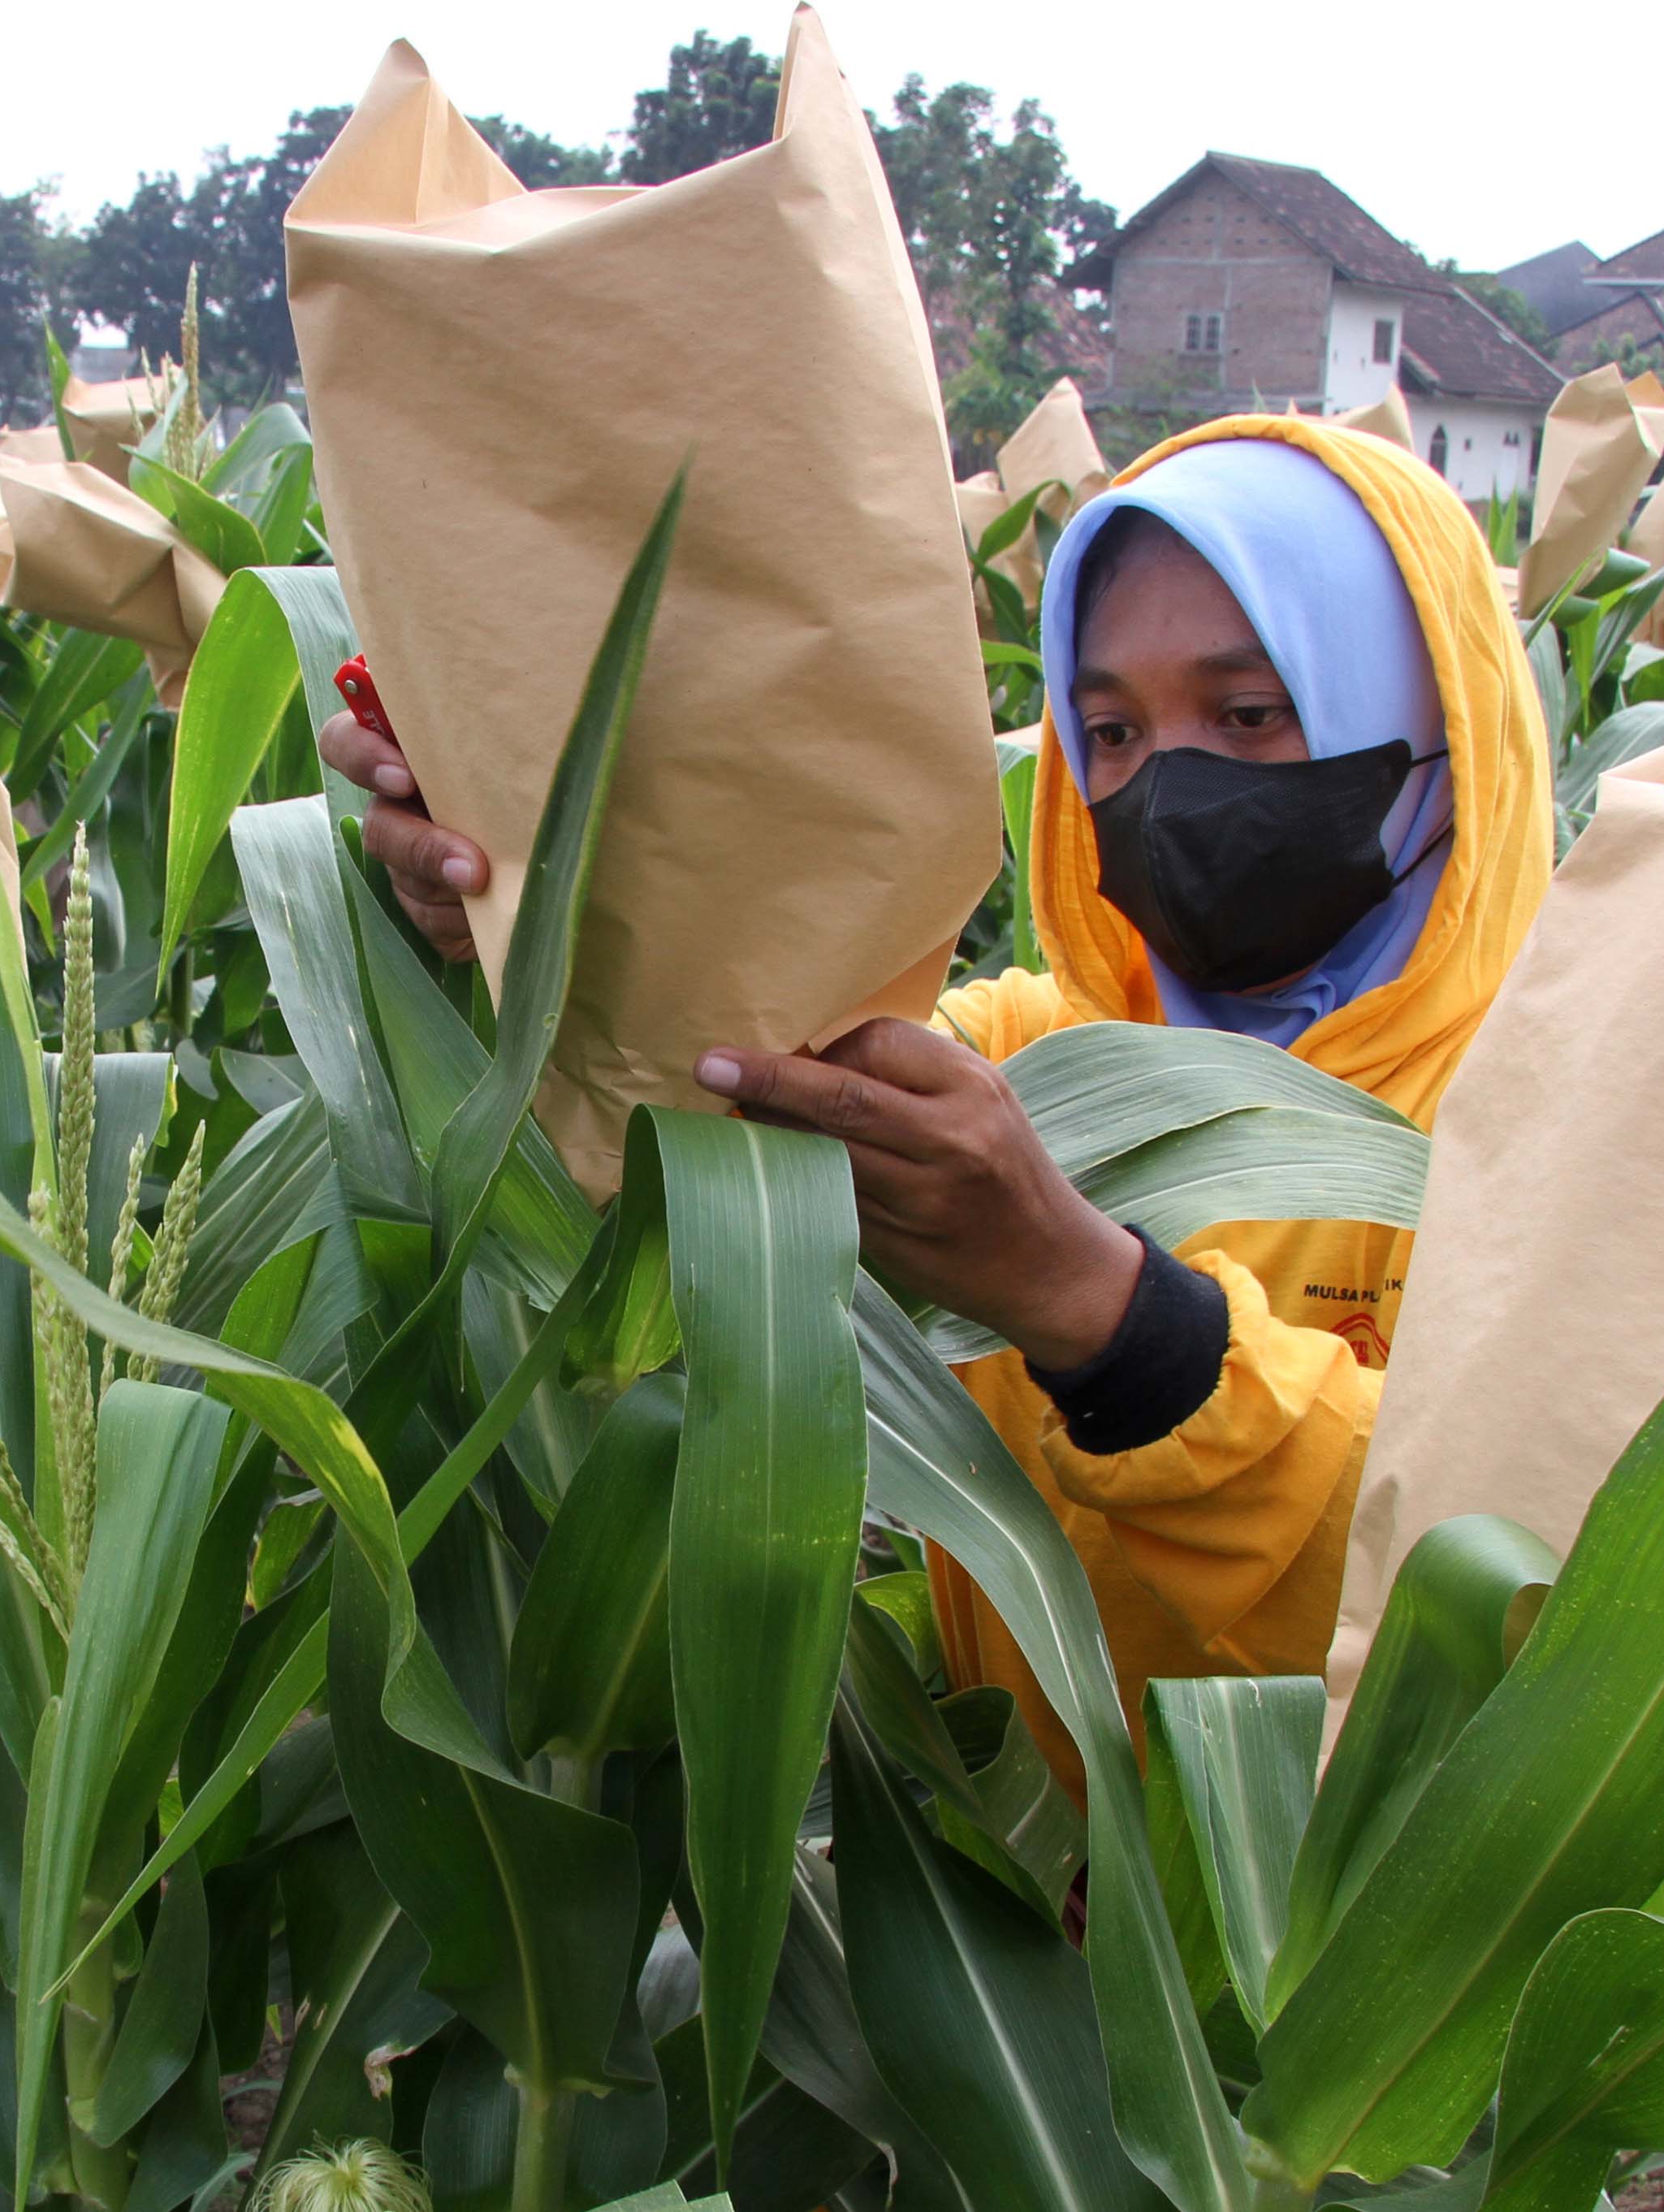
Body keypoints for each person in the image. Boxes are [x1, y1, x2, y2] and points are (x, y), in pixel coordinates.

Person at [322, 417, 1551, 1778]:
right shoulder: (1030, 1056)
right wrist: (527, 910)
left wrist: (1109, 1315)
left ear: (1435, 713)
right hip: (1040, 1936)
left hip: (1385, 1956)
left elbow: (1532, 1617)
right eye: (1112, 730)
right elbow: (703, 1107)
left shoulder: (1557, 1112)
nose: (1165, 781)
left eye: (1248, 716)